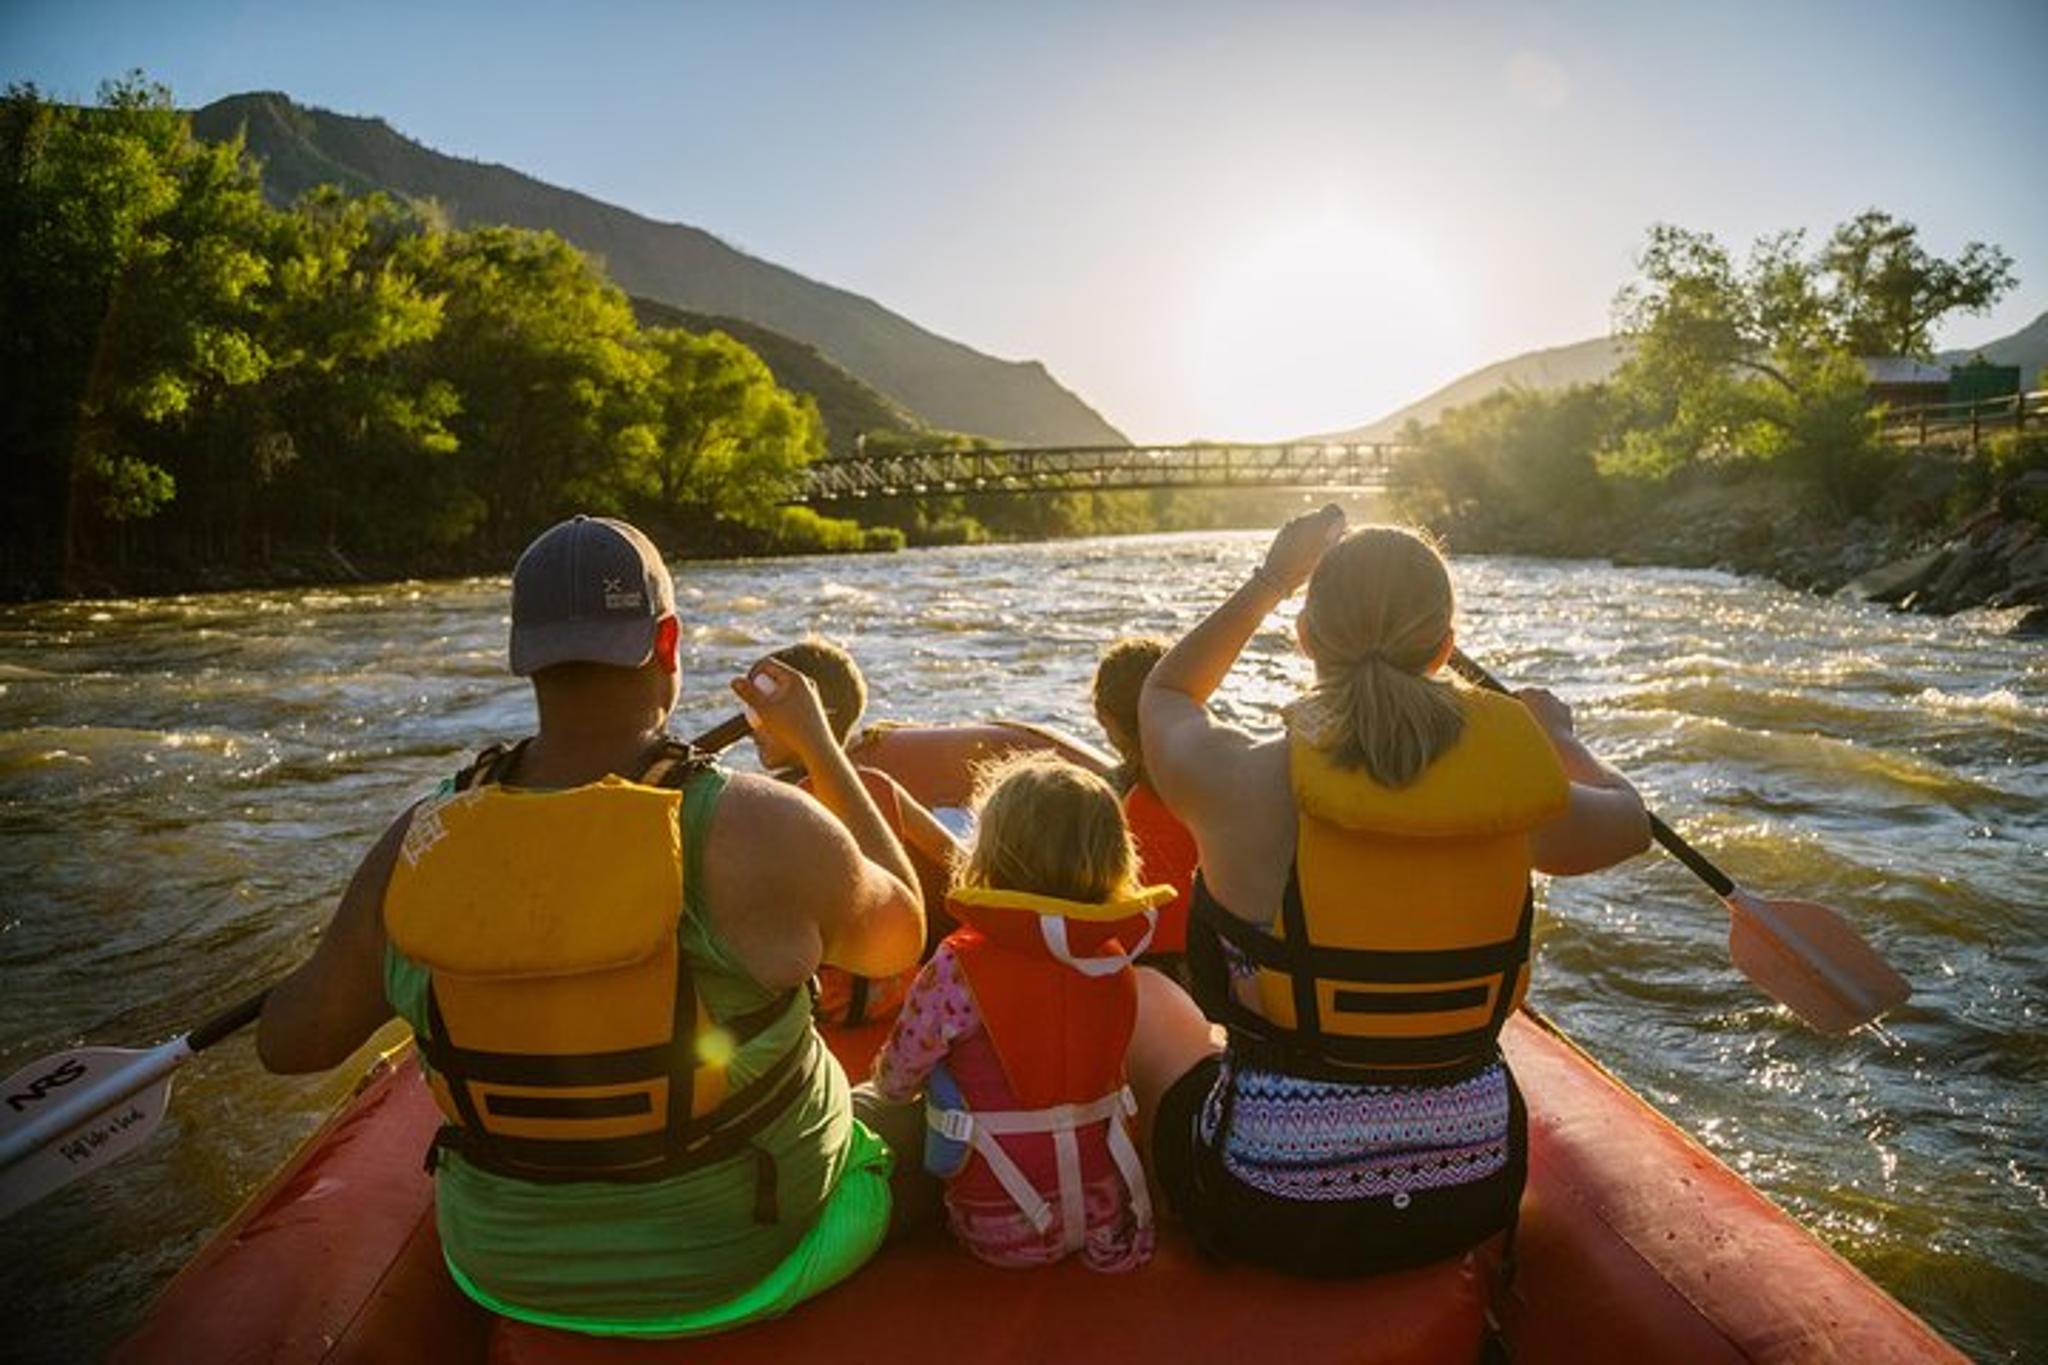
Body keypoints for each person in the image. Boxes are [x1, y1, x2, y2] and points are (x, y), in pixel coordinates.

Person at [255, 514, 926, 1338]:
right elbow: (902, 932)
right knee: (929, 1115)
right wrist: (821, 746)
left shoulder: (420, 838)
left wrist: (361, 935)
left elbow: (290, 1043)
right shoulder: (755, 825)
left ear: (523, 657)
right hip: (742, 1261)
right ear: (668, 643)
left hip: (501, 1271)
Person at [1127, 509, 1650, 1281]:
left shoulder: (1241, 781)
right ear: (1443, 648)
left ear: (1305, 640)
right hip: (1469, 1192)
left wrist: (1272, 580)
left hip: (1267, 1204)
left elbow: (1165, 692)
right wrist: (1563, 747)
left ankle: (1160, 1211)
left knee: (1143, 995)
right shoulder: (1519, 793)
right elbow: (1632, 822)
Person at [869, 755, 1168, 1272]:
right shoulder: (1112, 954)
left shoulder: (959, 966)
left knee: (905, 1096)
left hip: (999, 1231)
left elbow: (896, 1081)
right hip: (1112, 1215)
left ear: (991, 851)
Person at [749, 638, 964, 1027]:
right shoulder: (879, 786)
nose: (751, 726)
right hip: (901, 995)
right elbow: (955, 859)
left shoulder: (773, 804)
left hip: (823, 1006)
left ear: (810, 717)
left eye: (760, 712)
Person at [1092, 636, 1199, 978]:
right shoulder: (1218, 783)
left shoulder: (1101, 799)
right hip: (1215, 967)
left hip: (1130, 967)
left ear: (1102, 716)